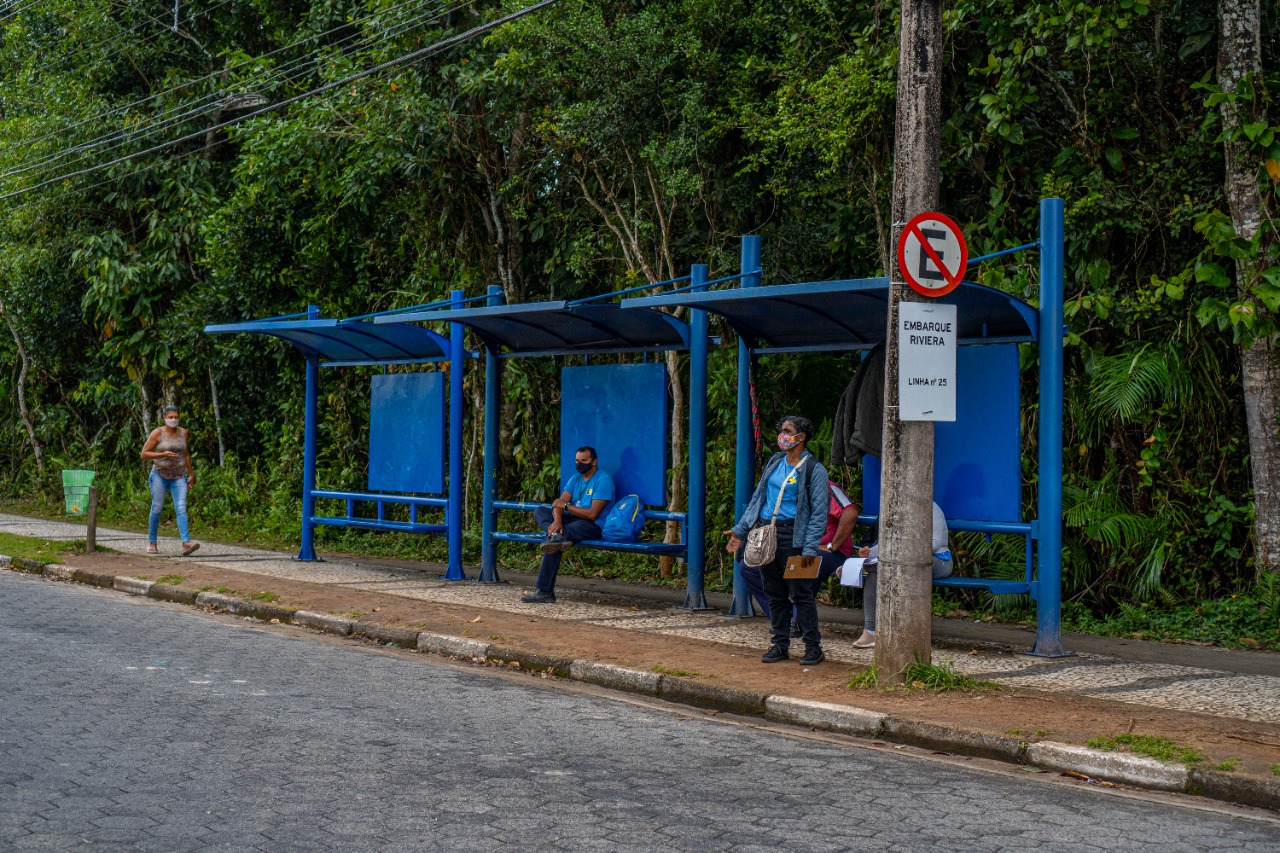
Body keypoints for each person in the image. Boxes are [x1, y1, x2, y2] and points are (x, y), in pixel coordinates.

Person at [724, 416, 829, 665]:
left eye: (788, 431)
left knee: (801, 593)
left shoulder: (815, 470)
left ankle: (813, 647)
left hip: (793, 537)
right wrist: (741, 530)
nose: (782, 435)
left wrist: (809, 549)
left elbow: (819, 513)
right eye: (781, 430)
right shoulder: (774, 462)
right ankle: (780, 645)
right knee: (774, 593)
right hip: (766, 534)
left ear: (801, 437)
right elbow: (758, 498)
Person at [738, 480, 858, 632]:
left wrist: (832, 545)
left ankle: (798, 620)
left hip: (830, 552)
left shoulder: (826, 487)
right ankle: (782, 617)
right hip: (795, 548)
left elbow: (851, 513)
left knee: (805, 565)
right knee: (749, 567)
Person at [520, 446, 615, 604]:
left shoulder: (603, 480)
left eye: (584, 461)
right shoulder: (575, 479)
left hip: (592, 525)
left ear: (594, 462)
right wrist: (557, 521)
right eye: (577, 461)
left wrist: (566, 507)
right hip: (571, 520)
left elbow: (592, 514)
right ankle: (557, 535)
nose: (579, 464)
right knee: (540, 511)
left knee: (555, 542)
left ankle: (544, 591)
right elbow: (558, 504)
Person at [851, 501, 952, 648]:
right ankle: (871, 631)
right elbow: (889, 542)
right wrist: (869, 552)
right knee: (876, 569)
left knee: (904, 569)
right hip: (903, 560)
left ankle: (908, 633)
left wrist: (904, 553)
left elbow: (935, 543)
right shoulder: (896, 506)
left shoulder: (932, 508)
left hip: (938, 560)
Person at [140, 405, 199, 557]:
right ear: (164, 418)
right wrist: (162, 454)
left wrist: (191, 474)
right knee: (157, 507)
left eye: (176, 417)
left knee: (181, 507)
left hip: (179, 475)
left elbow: (186, 454)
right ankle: (152, 542)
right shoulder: (157, 433)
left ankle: (186, 543)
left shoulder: (183, 433)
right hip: (160, 474)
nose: (173, 420)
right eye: (170, 417)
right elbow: (144, 454)